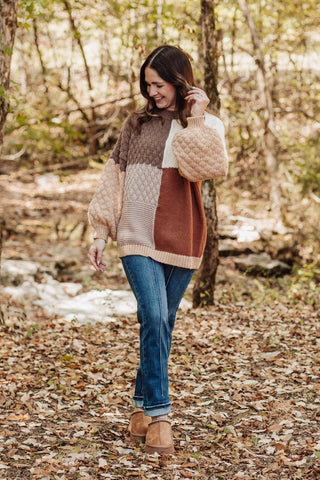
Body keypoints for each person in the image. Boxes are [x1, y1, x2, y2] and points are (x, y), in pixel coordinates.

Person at [88, 44, 228, 455]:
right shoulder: (136, 124)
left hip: (182, 237)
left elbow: (203, 168)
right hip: (135, 234)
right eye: (147, 85)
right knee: (152, 315)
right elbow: (112, 177)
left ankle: (138, 407)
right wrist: (100, 230)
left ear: (179, 81)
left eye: (160, 84)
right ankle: (160, 417)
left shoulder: (206, 125)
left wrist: (196, 119)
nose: (152, 93)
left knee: (161, 322)